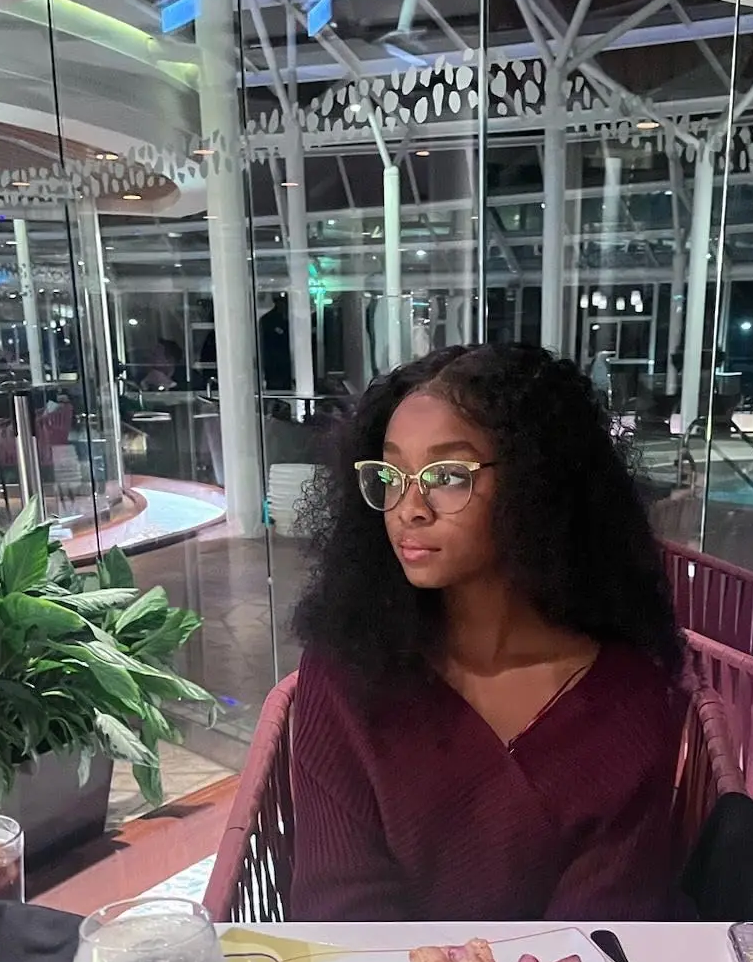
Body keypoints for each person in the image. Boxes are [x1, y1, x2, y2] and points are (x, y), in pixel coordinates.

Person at [289, 342, 687, 921]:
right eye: (391, 474)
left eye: (447, 476)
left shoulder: (629, 695)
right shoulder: (346, 672)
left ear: (538, 485)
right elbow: (339, 914)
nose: (409, 508)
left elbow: (602, 930)